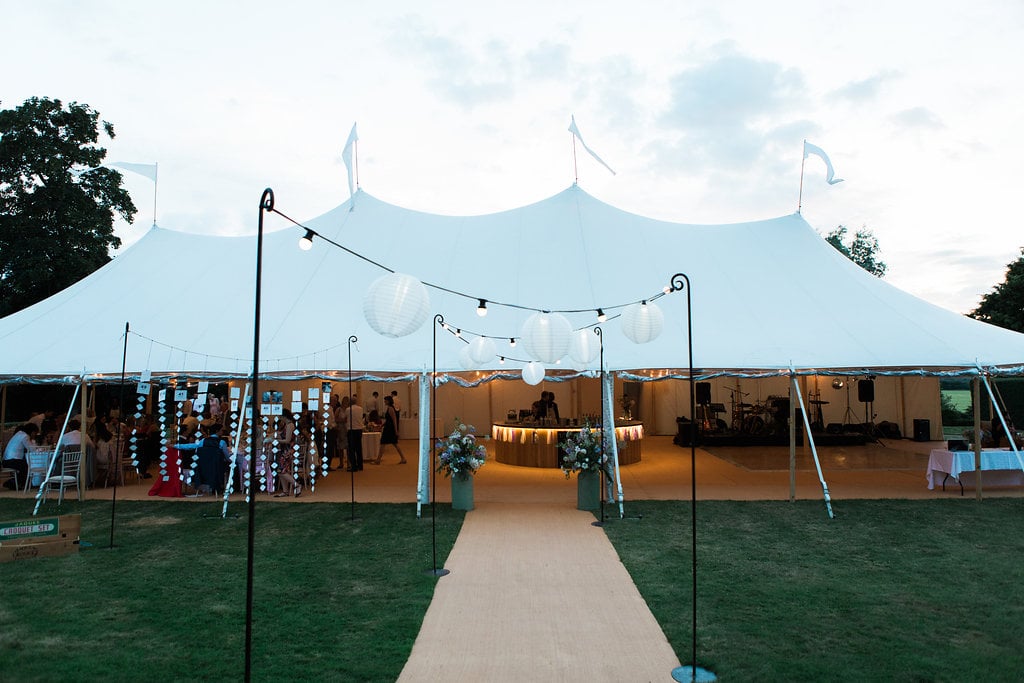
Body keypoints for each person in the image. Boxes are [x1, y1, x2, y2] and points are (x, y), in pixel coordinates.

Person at [175, 426, 232, 494]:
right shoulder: (222, 442)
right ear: (217, 431)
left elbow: (190, 446)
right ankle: (225, 487)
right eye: (221, 430)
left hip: (202, 468)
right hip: (217, 468)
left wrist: (176, 446)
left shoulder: (203, 441)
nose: (222, 432)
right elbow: (227, 457)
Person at [2, 423, 39, 489]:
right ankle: (18, 483)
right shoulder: (25, 436)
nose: (35, 435)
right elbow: (32, 449)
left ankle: (17, 483)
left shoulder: (19, 434)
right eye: (35, 433)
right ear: (32, 432)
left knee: (24, 465)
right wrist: (33, 441)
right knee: (26, 466)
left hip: (7, 460)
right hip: (12, 460)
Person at [375, 395, 407, 465]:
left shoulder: (390, 408)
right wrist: (382, 425)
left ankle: (378, 460)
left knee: (384, 443)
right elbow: (388, 420)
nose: (384, 401)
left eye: (385, 400)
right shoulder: (389, 408)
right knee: (393, 444)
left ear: (388, 401)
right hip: (388, 428)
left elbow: (394, 420)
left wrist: (396, 430)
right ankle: (403, 458)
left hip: (389, 429)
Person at [346, 398, 365, 471]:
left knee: (352, 449)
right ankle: (360, 465)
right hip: (359, 430)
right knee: (359, 448)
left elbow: (346, 418)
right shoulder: (360, 409)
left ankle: (353, 466)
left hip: (351, 430)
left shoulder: (348, 409)